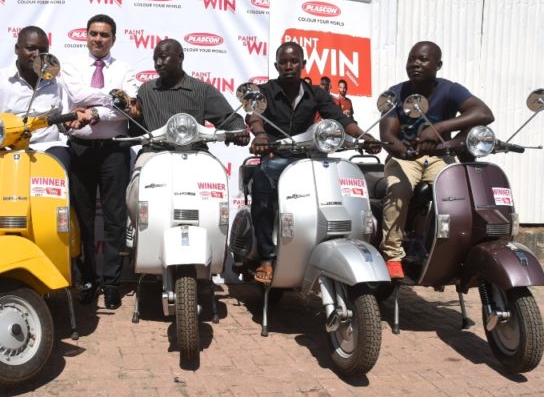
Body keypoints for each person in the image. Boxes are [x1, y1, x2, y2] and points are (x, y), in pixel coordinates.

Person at [247, 42, 378, 284]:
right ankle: (266, 257)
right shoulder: (264, 91)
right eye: (283, 62)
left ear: (303, 64)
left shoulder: (316, 93)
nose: (288, 66)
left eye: (294, 61)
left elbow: (339, 118)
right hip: (276, 156)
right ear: (276, 65)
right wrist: (261, 136)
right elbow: (255, 116)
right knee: (262, 181)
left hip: (308, 158)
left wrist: (364, 137)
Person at [379, 41, 494, 279]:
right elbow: (388, 136)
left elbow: (484, 113)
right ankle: (393, 255)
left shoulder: (450, 89)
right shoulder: (396, 93)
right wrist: (406, 152)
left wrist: (440, 129)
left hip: (440, 157)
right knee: (398, 189)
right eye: (411, 59)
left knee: (457, 196)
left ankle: (449, 248)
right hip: (405, 158)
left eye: (423, 59)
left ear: (438, 65)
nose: (415, 64)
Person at [60, 14, 139, 310]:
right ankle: (88, 280)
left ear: (113, 39)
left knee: (115, 219)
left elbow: (129, 108)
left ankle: (112, 283)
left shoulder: (124, 69)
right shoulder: (71, 66)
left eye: (104, 35)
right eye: (93, 33)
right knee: (82, 219)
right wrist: (113, 99)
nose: (98, 39)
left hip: (114, 151)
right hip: (80, 150)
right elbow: (77, 94)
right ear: (86, 35)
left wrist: (94, 112)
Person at [125, 38, 249, 222]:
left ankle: (213, 230)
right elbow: (137, 131)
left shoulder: (202, 89)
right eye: (155, 59)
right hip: (154, 153)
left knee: (217, 186)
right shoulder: (146, 90)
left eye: (164, 57)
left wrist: (238, 131)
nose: (158, 63)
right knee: (137, 188)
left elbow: (229, 118)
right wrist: (132, 117)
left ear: (180, 57)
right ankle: (137, 231)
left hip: (195, 153)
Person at [0, 26, 70, 164]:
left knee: (63, 159)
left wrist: (70, 123)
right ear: (17, 49)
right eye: (31, 48)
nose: (37, 54)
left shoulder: (57, 83)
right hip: (6, 148)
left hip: (48, 147)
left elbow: (62, 121)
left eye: (43, 50)